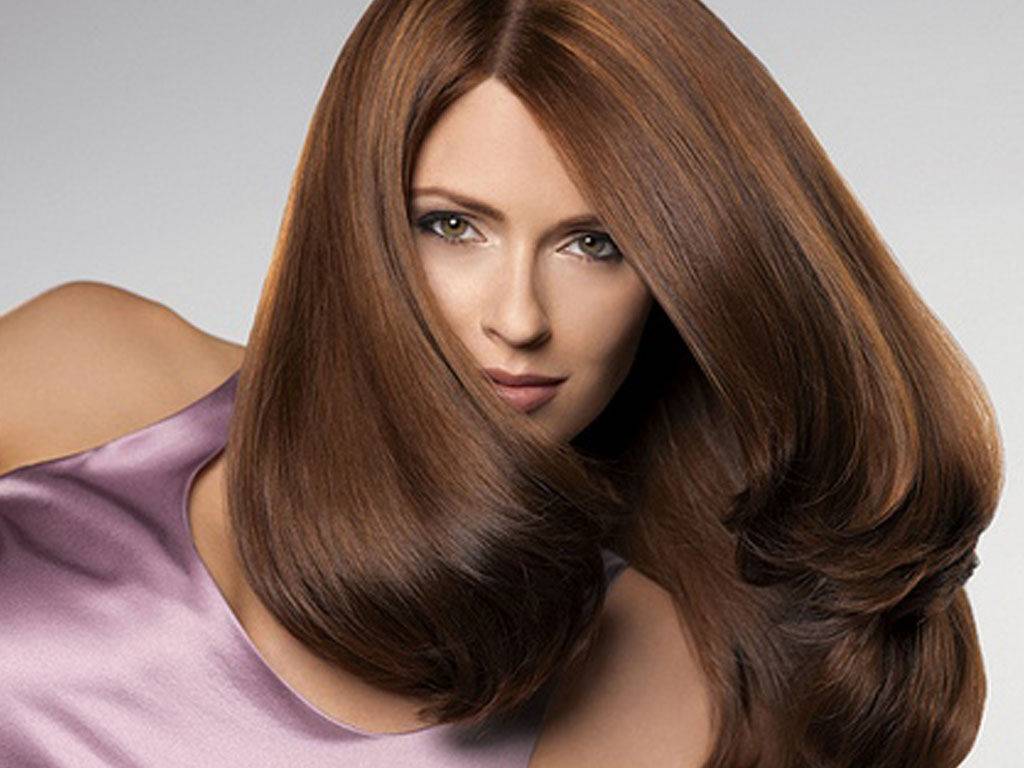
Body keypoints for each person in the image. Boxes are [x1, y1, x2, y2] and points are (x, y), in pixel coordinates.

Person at [0, 1, 1000, 767]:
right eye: (452, 226)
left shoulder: (647, 662)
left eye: (595, 244)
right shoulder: (91, 366)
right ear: (358, 223)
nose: (518, 317)